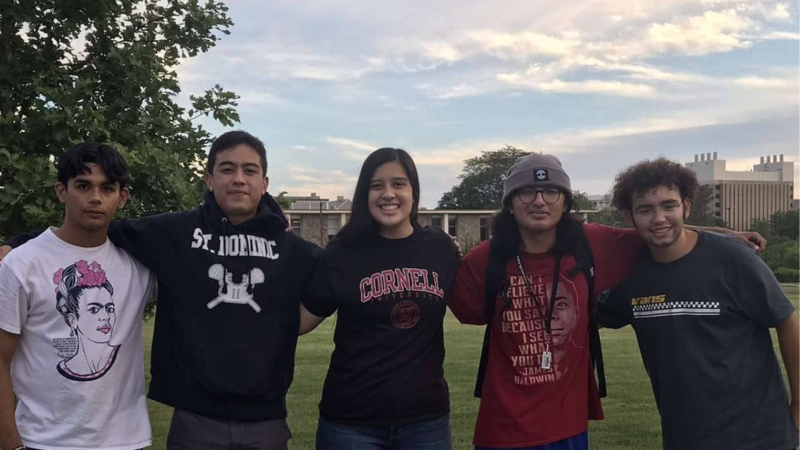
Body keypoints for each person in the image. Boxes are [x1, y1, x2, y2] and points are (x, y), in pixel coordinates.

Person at [1, 131, 321, 450]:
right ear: (209, 179)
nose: (238, 179)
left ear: (265, 183)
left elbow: (335, 273)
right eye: (227, 169)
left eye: (249, 170)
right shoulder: (174, 233)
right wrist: (17, 243)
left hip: (258, 420)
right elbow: (93, 227)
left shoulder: (290, 248)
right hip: (192, 419)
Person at [449, 154, 766, 450]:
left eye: (550, 192)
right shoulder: (486, 259)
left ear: (566, 202)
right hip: (502, 427)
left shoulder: (592, 243)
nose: (539, 201)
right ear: (510, 203)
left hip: (567, 426)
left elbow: (659, 229)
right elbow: (465, 309)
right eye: (526, 193)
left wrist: (726, 235)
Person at [597, 157, 799, 450]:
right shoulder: (631, 274)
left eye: (669, 206)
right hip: (685, 438)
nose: (659, 218)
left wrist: (798, 408)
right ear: (629, 216)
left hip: (760, 436)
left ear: (686, 206)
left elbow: (788, 322)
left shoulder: (733, 259)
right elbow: (592, 317)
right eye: (645, 210)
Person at [299, 148, 460, 450]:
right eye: (377, 185)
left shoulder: (441, 248)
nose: (388, 194)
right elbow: (301, 320)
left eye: (398, 184)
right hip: (350, 423)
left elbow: (474, 299)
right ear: (364, 193)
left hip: (425, 421)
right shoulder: (343, 252)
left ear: (413, 191)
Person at [0, 143, 155, 450]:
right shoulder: (22, 264)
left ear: (121, 197)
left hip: (126, 441)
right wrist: (10, 444)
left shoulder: (138, 268)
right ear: (62, 191)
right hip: (43, 441)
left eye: (107, 188)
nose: (95, 198)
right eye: (83, 186)